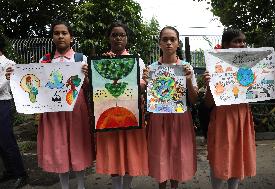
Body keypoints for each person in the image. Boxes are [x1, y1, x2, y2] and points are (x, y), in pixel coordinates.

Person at [6, 21, 95, 189]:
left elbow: (90, 87)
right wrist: (15, 77)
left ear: (71, 37)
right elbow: (36, 86)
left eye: (64, 33)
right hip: (53, 112)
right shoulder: (44, 61)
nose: (60, 36)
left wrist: (88, 76)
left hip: (76, 110)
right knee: (59, 146)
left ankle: (81, 185)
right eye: (56, 33)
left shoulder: (81, 59)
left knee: (78, 145)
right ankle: (64, 186)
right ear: (52, 37)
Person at [142, 26, 198, 189]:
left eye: (172, 39)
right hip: (159, 118)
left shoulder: (186, 68)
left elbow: (194, 100)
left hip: (181, 117)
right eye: (165, 39)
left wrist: (187, 80)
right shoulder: (151, 69)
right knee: (160, 154)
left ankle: (174, 186)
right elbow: (149, 100)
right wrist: (146, 84)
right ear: (159, 43)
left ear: (178, 43)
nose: (168, 43)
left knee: (177, 154)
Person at [95, 22, 148, 189]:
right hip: (108, 113)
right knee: (113, 151)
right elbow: (96, 87)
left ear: (127, 38)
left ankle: (127, 186)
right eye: (114, 34)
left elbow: (143, 85)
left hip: (131, 112)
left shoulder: (137, 61)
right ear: (108, 38)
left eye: (122, 35)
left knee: (131, 151)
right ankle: (117, 186)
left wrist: (141, 83)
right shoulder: (101, 62)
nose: (118, 38)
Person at [203, 29, 256, 189]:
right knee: (220, 157)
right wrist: (210, 85)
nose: (242, 45)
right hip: (222, 118)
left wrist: (271, 79)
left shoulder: (251, 67)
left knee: (237, 156)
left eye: (243, 41)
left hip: (242, 116)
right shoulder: (215, 68)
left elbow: (257, 92)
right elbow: (207, 103)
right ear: (226, 45)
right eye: (237, 41)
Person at [0, 35, 28, 188]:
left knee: (6, 139)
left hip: (2, 103)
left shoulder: (9, 64)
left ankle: (21, 174)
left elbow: (2, 86)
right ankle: (10, 171)